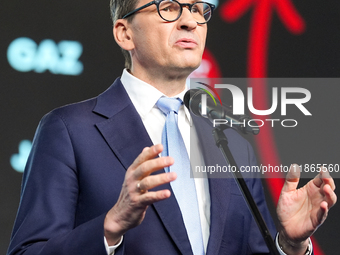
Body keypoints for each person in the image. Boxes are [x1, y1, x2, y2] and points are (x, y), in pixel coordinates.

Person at [7, 0, 337, 254]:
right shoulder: (68, 130)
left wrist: (289, 245)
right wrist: (110, 227)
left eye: (197, 8)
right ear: (125, 33)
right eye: (169, 7)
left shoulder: (232, 141)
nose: (190, 21)